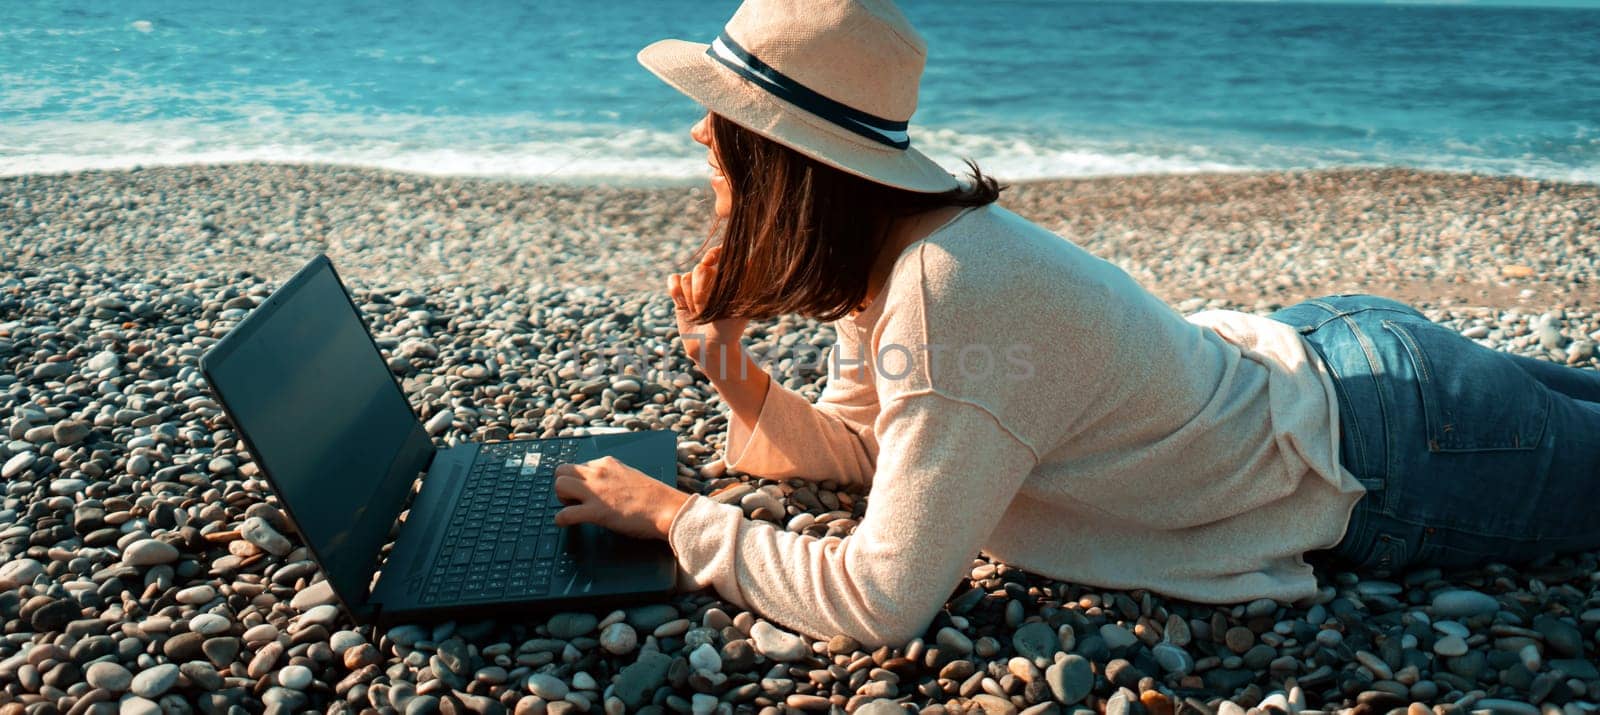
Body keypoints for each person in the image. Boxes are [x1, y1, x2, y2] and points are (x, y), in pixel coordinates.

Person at [547, 0, 1600, 648]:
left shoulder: (942, 288)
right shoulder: (909, 242)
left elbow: (880, 598)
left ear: (789, 166)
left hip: (1386, 448)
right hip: (1339, 357)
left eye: (724, 123)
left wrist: (682, 522)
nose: (697, 131)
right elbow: (881, 450)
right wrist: (733, 375)